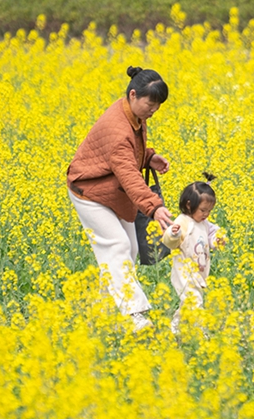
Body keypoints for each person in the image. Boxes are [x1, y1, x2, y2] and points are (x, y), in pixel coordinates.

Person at [67, 66, 174, 332]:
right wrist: (154, 207)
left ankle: (102, 315)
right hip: (90, 191)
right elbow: (127, 173)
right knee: (116, 247)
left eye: (158, 105)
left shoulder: (132, 113)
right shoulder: (118, 129)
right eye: (151, 104)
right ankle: (133, 313)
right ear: (133, 95)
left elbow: (129, 155)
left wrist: (148, 157)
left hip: (111, 188)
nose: (154, 110)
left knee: (130, 249)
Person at [161, 173, 224, 332]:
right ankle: (201, 334)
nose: (206, 214)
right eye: (203, 210)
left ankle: (175, 328)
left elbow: (210, 235)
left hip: (199, 272)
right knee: (195, 302)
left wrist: (217, 240)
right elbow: (170, 243)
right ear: (189, 205)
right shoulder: (182, 221)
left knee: (187, 303)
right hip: (185, 272)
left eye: (209, 211)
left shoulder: (204, 223)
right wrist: (173, 234)